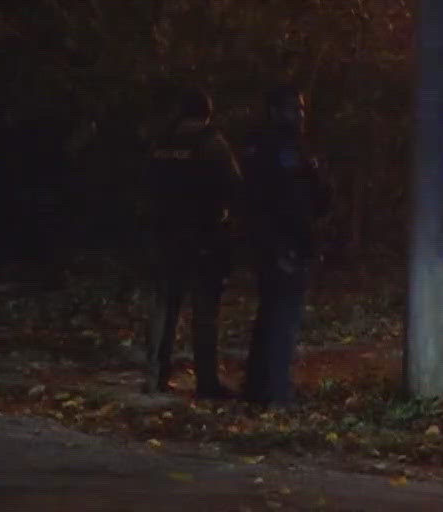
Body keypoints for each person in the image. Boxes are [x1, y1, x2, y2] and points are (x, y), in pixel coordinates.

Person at [141, 89, 240, 396]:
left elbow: (146, 187)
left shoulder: (161, 143)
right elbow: (235, 188)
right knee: (205, 313)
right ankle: (206, 382)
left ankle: (155, 377)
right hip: (203, 238)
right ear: (208, 113)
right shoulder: (212, 144)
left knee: (165, 309)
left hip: (165, 237)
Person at [240, 85, 329, 408]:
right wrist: (299, 243)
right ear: (277, 111)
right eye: (295, 109)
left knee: (269, 315)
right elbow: (300, 202)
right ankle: (278, 393)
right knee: (283, 319)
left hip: (266, 241)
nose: (301, 115)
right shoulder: (284, 149)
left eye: (302, 109)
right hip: (284, 244)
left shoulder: (255, 144)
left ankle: (256, 386)